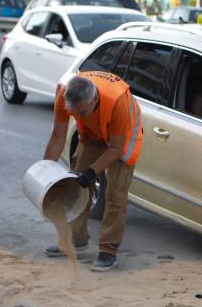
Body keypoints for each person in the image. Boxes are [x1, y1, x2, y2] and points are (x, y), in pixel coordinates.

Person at [42, 72, 143, 271]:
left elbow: (115, 149)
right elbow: (57, 137)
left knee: (115, 194)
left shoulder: (118, 102)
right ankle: (77, 240)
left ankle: (108, 250)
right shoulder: (64, 96)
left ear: (94, 99)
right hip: (93, 135)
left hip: (123, 137)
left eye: (82, 113)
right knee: (75, 187)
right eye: (75, 114)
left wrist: (90, 173)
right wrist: (45, 171)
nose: (78, 117)